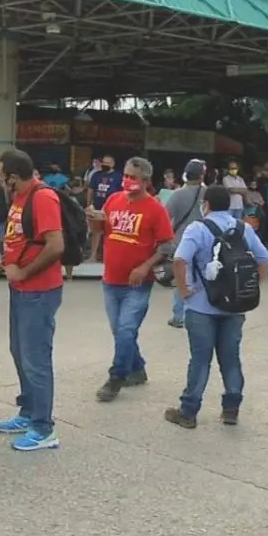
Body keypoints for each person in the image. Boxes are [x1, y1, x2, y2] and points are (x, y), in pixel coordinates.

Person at [165, 185, 268, 429]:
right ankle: (231, 409)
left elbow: (179, 260)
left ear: (206, 204)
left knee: (200, 360)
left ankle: (188, 412)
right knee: (231, 358)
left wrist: (184, 291)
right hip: (235, 306)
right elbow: (264, 259)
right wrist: (250, 287)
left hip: (201, 306)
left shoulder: (197, 228)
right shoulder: (242, 228)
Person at [0, 149, 65, 451]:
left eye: (1, 173)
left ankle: (43, 428)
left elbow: (55, 245)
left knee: (35, 359)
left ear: (13, 176)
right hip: (21, 288)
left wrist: (24, 271)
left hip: (38, 291)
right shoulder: (19, 197)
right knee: (20, 352)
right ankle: (28, 411)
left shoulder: (43, 197)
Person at [95, 157, 174, 402]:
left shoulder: (155, 209)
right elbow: (101, 230)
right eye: (126, 175)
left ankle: (116, 378)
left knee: (126, 330)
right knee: (119, 330)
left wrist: (145, 266)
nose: (127, 180)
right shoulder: (113, 200)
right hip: (111, 280)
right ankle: (137, 368)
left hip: (137, 284)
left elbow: (167, 245)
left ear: (146, 181)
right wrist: (93, 219)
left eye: (133, 177)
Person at [163, 159, 207, 329]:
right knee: (203, 277)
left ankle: (179, 316)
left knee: (181, 278)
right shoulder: (208, 193)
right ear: (202, 175)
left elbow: (165, 217)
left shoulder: (177, 194)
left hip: (182, 241)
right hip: (204, 240)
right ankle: (201, 312)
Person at [86, 154, 120, 262]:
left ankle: (106, 256)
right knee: (96, 231)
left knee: (109, 232)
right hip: (97, 207)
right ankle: (93, 256)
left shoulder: (118, 176)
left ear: (113, 164)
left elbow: (121, 193)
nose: (105, 164)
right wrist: (89, 204)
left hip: (112, 208)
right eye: (104, 162)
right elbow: (91, 190)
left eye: (108, 162)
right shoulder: (96, 175)